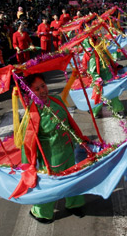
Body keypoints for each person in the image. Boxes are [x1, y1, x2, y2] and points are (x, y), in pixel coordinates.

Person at [24, 73, 86, 223]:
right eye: (37, 89)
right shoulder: (32, 114)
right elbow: (28, 143)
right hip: (51, 157)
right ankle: (41, 212)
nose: (42, 91)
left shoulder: (56, 100)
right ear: (30, 92)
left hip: (68, 149)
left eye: (43, 86)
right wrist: (28, 165)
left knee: (73, 178)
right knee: (52, 186)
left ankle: (74, 204)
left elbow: (70, 122)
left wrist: (79, 138)